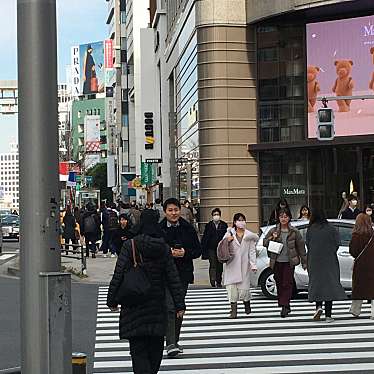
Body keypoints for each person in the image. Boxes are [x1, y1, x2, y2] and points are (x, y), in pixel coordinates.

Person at [106, 209, 186, 374]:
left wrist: (111, 300)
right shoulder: (163, 247)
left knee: (138, 353)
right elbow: (173, 277)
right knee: (155, 351)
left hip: (134, 306)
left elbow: (118, 274)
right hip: (157, 306)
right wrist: (179, 304)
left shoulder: (131, 245)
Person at [159, 198, 201, 358]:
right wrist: (167, 252)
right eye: (170, 210)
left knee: (178, 307)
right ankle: (170, 343)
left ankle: (174, 340)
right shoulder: (159, 228)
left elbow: (198, 250)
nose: (173, 213)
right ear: (165, 212)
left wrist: (185, 253)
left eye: (176, 210)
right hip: (164, 274)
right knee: (169, 307)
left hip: (182, 274)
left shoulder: (188, 228)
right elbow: (153, 250)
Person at [264, 208, 307, 318]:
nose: (283, 219)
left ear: (289, 218)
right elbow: (265, 243)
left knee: (287, 283)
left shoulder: (294, 231)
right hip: (276, 261)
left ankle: (285, 305)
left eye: (286, 217)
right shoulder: (274, 230)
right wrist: (271, 237)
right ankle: (283, 303)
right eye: (281, 217)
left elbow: (301, 247)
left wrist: (304, 261)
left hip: (289, 261)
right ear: (278, 218)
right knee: (279, 282)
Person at [306, 209, 346, 322]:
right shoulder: (331, 228)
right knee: (329, 285)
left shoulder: (311, 229)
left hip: (314, 260)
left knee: (317, 284)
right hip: (329, 260)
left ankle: (318, 307)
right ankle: (328, 315)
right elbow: (337, 243)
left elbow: (308, 243)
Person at [219, 213, 258, 319]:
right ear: (235, 222)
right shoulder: (229, 233)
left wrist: (253, 264)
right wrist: (227, 240)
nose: (241, 222)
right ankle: (233, 311)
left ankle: (247, 302)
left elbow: (252, 251)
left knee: (244, 290)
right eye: (239, 220)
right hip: (231, 265)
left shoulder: (249, 236)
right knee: (231, 289)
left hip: (244, 266)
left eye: (243, 220)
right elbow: (221, 246)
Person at [349, 213, 374, 320]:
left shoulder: (356, 236)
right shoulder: (372, 235)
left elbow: (353, 251)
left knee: (358, 287)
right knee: (372, 288)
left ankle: (355, 310)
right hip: (372, 264)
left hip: (360, 265)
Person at [201, 208, 228, 288]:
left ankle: (218, 281)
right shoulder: (209, 225)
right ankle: (213, 280)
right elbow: (205, 238)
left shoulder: (223, 225)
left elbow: (226, 237)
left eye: (217, 215)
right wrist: (203, 250)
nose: (216, 216)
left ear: (220, 215)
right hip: (211, 248)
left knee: (220, 265)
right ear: (212, 216)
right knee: (213, 264)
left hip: (220, 248)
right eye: (214, 215)